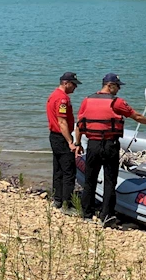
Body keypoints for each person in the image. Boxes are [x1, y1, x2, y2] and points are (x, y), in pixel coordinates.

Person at [76, 73, 146, 227]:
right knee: (110, 181)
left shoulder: (87, 100)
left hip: (93, 145)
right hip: (110, 145)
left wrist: (77, 142)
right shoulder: (117, 102)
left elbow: (80, 123)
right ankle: (107, 216)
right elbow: (135, 116)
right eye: (117, 86)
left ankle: (86, 213)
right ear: (109, 85)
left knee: (90, 179)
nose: (119, 89)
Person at [46, 71, 82, 210]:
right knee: (68, 172)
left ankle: (57, 199)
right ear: (66, 83)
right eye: (73, 84)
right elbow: (62, 122)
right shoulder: (62, 99)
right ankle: (67, 204)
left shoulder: (53, 95)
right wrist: (70, 142)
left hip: (54, 136)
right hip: (61, 137)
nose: (75, 87)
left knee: (58, 170)